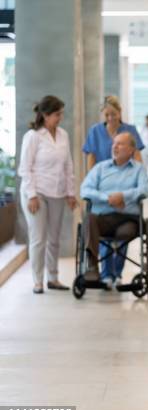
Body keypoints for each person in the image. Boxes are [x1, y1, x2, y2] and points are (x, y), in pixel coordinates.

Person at [83, 96, 146, 289]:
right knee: (100, 229)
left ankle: (117, 273)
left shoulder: (130, 131)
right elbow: (91, 159)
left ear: (120, 113)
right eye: (107, 115)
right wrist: (97, 185)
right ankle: (104, 273)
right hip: (103, 185)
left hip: (126, 186)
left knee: (121, 236)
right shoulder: (95, 131)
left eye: (114, 114)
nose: (111, 118)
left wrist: (135, 180)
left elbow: (137, 158)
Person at [18, 95, 77, 294]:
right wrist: (32, 195)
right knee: (38, 238)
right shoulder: (33, 136)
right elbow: (25, 169)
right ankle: (37, 281)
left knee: (54, 238)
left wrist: (70, 193)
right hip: (36, 193)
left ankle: (53, 278)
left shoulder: (63, 135)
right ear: (45, 115)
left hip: (58, 192)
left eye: (61, 113)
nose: (60, 117)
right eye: (57, 114)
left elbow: (68, 165)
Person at [80, 132, 148, 282]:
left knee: (124, 234)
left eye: (120, 144)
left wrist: (123, 196)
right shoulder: (101, 168)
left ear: (132, 149)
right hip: (103, 218)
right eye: (114, 143)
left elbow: (146, 189)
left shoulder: (138, 169)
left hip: (128, 219)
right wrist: (108, 199)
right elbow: (85, 190)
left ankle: (115, 273)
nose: (115, 146)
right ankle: (93, 267)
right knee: (89, 220)